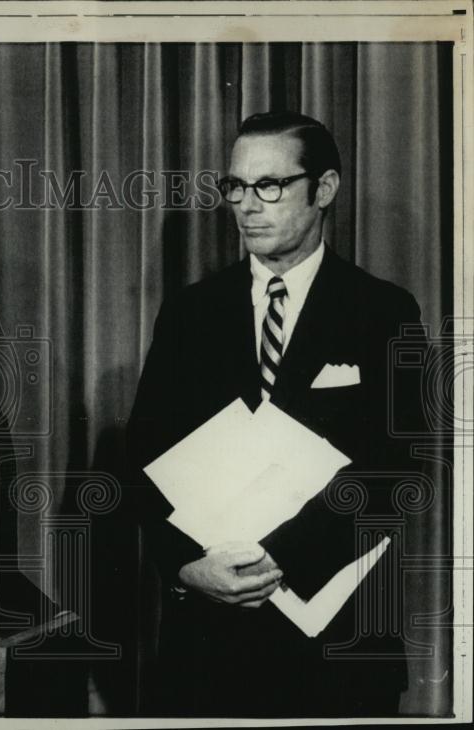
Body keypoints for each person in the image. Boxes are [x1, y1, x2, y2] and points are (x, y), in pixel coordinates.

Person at [127, 111, 425, 717]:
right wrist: (186, 567)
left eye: (269, 186)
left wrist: (281, 554)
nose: (246, 206)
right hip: (208, 646)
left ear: (324, 190)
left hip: (339, 645)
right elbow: (143, 462)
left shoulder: (384, 312)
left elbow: (398, 472)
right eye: (236, 187)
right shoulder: (191, 314)